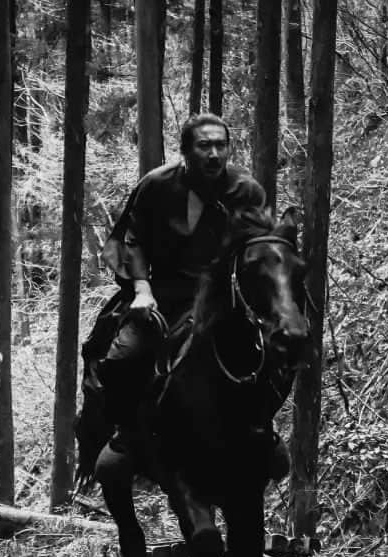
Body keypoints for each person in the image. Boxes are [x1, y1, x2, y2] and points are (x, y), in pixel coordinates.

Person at [96, 113, 273, 438]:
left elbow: (260, 248)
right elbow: (133, 240)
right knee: (121, 360)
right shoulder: (156, 185)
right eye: (205, 146)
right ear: (186, 151)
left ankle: (261, 431)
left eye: (221, 145)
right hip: (162, 296)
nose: (214, 154)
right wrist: (142, 290)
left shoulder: (246, 190)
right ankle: (127, 434)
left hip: (223, 299)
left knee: (270, 356)